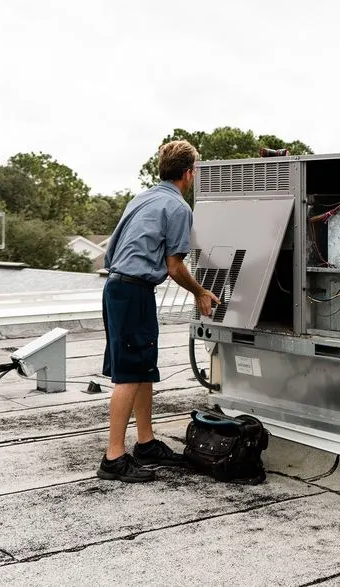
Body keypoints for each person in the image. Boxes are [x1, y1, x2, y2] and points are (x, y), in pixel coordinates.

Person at [96, 139, 220, 483]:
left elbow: (111, 252)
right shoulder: (179, 208)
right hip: (133, 291)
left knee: (142, 366)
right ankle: (113, 458)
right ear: (189, 173)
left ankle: (146, 442)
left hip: (117, 287)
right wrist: (200, 292)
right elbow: (175, 266)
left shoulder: (142, 198)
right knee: (129, 374)